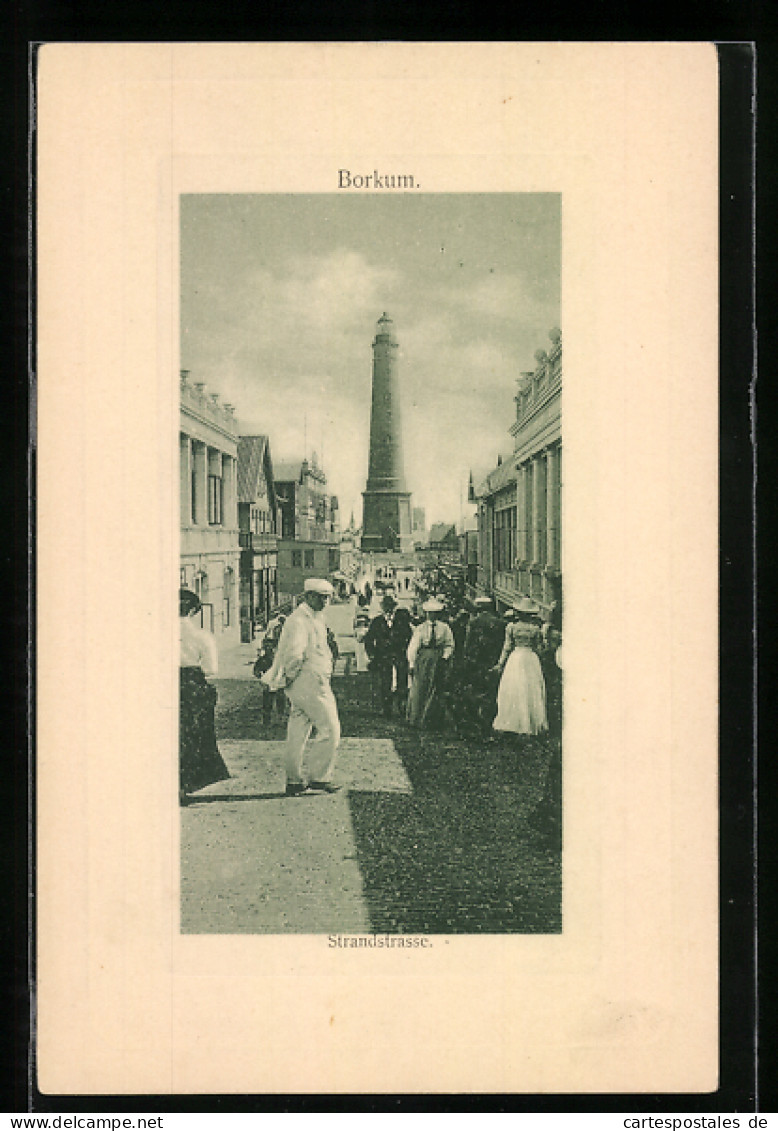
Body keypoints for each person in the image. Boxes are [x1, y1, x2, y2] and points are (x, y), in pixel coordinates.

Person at [261, 578, 342, 796]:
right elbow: (294, 654)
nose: (325, 601)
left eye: (327, 597)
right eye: (319, 597)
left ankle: (294, 781)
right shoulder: (299, 620)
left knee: (298, 730)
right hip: (309, 681)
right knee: (331, 729)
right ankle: (319, 777)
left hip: (307, 681)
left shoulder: (313, 617)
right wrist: (291, 678)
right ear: (307, 596)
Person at [179, 588, 230, 803]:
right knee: (193, 736)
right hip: (191, 688)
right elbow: (210, 669)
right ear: (194, 611)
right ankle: (184, 785)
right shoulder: (201, 636)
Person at [492, 597, 547, 738]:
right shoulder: (535, 629)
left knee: (514, 688)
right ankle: (530, 722)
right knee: (530, 689)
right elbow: (540, 649)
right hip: (530, 658)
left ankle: (512, 722)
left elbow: (506, 647)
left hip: (515, 658)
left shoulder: (511, 627)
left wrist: (500, 663)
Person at [406, 598, 455, 729]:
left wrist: (445, 657)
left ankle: (433, 720)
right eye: (429, 613)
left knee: (436, 688)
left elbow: (449, 644)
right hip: (423, 660)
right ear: (426, 614)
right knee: (420, 687)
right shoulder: (420, 629)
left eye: (435, 613)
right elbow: (413, 646)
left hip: (438, 660)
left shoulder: (444, 628)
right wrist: (411, 663)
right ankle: (417, 718)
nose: (432, 616)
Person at [363, 594, 414, 717]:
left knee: (402, 682)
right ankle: (387, 709)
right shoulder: (377, 621)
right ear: (383, 608)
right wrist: (372, 655)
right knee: (385, 683)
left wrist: (406, 651)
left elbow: (410, 637)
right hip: (383, 657)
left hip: (400, 656)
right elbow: (369, 639)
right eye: (386, 607)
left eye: (391, 607)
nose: (388, 610)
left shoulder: (402, 621)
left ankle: (402, 708)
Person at [462, 596, 506, 734]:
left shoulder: (474, 622)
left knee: (476, 691)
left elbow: (468, 644)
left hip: (476, 662)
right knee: (491, 692)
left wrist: (467, 658)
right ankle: (489, 722)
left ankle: (478, 723)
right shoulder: (500, 623)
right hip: (493, 661)